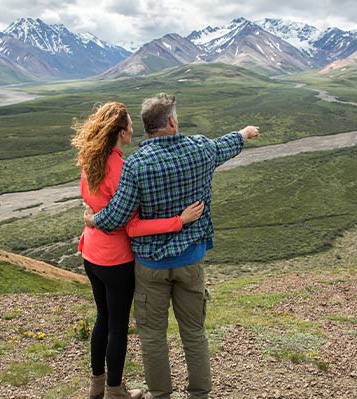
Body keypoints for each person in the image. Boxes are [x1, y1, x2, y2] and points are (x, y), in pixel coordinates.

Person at [84, 93, 260, 399]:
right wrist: (245, 133)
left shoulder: (136, 164)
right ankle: (199, 395)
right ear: (173, 122)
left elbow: (117, 216)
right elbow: (226, 145)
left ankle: (161, 395)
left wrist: (93, 220)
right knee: (193, 333)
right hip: (190, 260)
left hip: (150, 266)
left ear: (146, 127)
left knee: (152, 337)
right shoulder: (201, 150)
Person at [71, 101, 205, 399]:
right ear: (120, 131)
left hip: (91, 253)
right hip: (115, 258)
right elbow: (132, 227)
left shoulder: (90, 159)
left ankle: (97, 385)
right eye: (130, 124)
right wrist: (178, 221)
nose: (134, 128)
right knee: (118, 326)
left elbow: (91, 202)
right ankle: (115, 390)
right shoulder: (121, 168)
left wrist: (93, 216)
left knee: (103, 318)